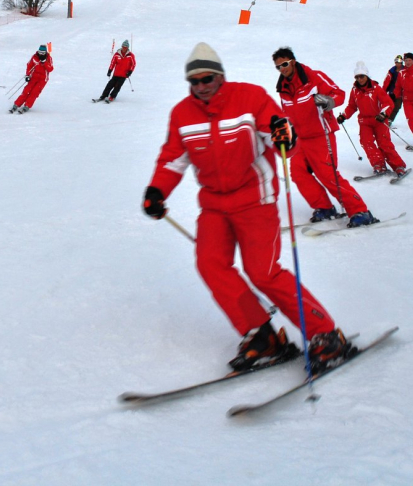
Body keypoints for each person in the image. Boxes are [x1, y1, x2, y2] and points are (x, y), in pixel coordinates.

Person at [142, 42, 352, 374]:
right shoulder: (182, 114)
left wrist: (285, 135)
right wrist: (157, 190)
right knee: (211, 265)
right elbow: (173, 159)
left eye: (207, 77)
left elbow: (277, 132)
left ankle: (326, 335)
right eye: (194, 81)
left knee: (263, 272)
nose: (202, 86)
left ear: (220, 75)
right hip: (214, 205)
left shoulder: (250, 98)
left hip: (256, 199)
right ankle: (262, 336)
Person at [272, 47, 377, 227]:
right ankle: (324, 207)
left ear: (293, 61)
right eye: (278, 67)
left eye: (285, 64)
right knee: (298, 174)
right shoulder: (283, 88)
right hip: (300, 139)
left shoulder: (313, 77)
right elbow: (287, 113)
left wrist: (329, 102)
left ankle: (359, 210)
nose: (282, 69)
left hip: (320, 135)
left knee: (328, 174)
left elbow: (339, 94)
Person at [337, 61, 407, 176]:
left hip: (379, 120)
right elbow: (352, 106)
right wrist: (343, 115)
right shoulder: (355, 91)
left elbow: (388, 103)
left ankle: (398, 166)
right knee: (366, 142)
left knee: (384, 143)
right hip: (364, 121)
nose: (360, 79)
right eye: (357, 77)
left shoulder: (376, 88)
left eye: (362, 76)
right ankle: (378, 165)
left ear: (367, 76)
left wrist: (384, 114)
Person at [10, 45, 54, 114]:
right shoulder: (34, 57)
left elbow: (50, 69)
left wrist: (45, 62)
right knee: (26, 90)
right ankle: (16, 104)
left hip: (42, 79)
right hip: (34, 77)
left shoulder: (49, 58)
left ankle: (27, 106)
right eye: (40, 52)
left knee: (34, 93)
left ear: (45, 52)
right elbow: (29, 65)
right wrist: (28, 75)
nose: (41, 54)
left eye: (42, 53)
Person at [382, 54, 405, 123]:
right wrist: (384, 91)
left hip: (400, 93)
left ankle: (390, 120)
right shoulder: (392, 71)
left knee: (396, 107)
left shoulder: (405, 71)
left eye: (400, 62)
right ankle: (385, 119)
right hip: (391, 92)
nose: (398, 64)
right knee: (389, 106)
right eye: (397, 62)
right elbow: (387, 81)